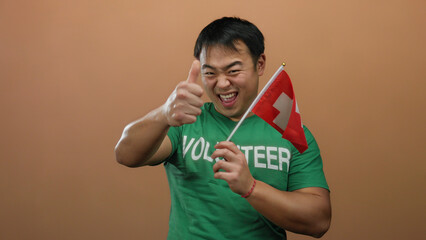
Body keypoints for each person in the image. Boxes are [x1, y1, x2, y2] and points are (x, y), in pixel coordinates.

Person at [115, 17, 331, 240]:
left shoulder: (291, 132)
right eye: (210, 73)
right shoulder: (185, 122)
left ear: (260, 64)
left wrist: (251, 187)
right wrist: (164, 114)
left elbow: (318, 221)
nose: (222, 83)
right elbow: (125, 155)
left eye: (233, 71)